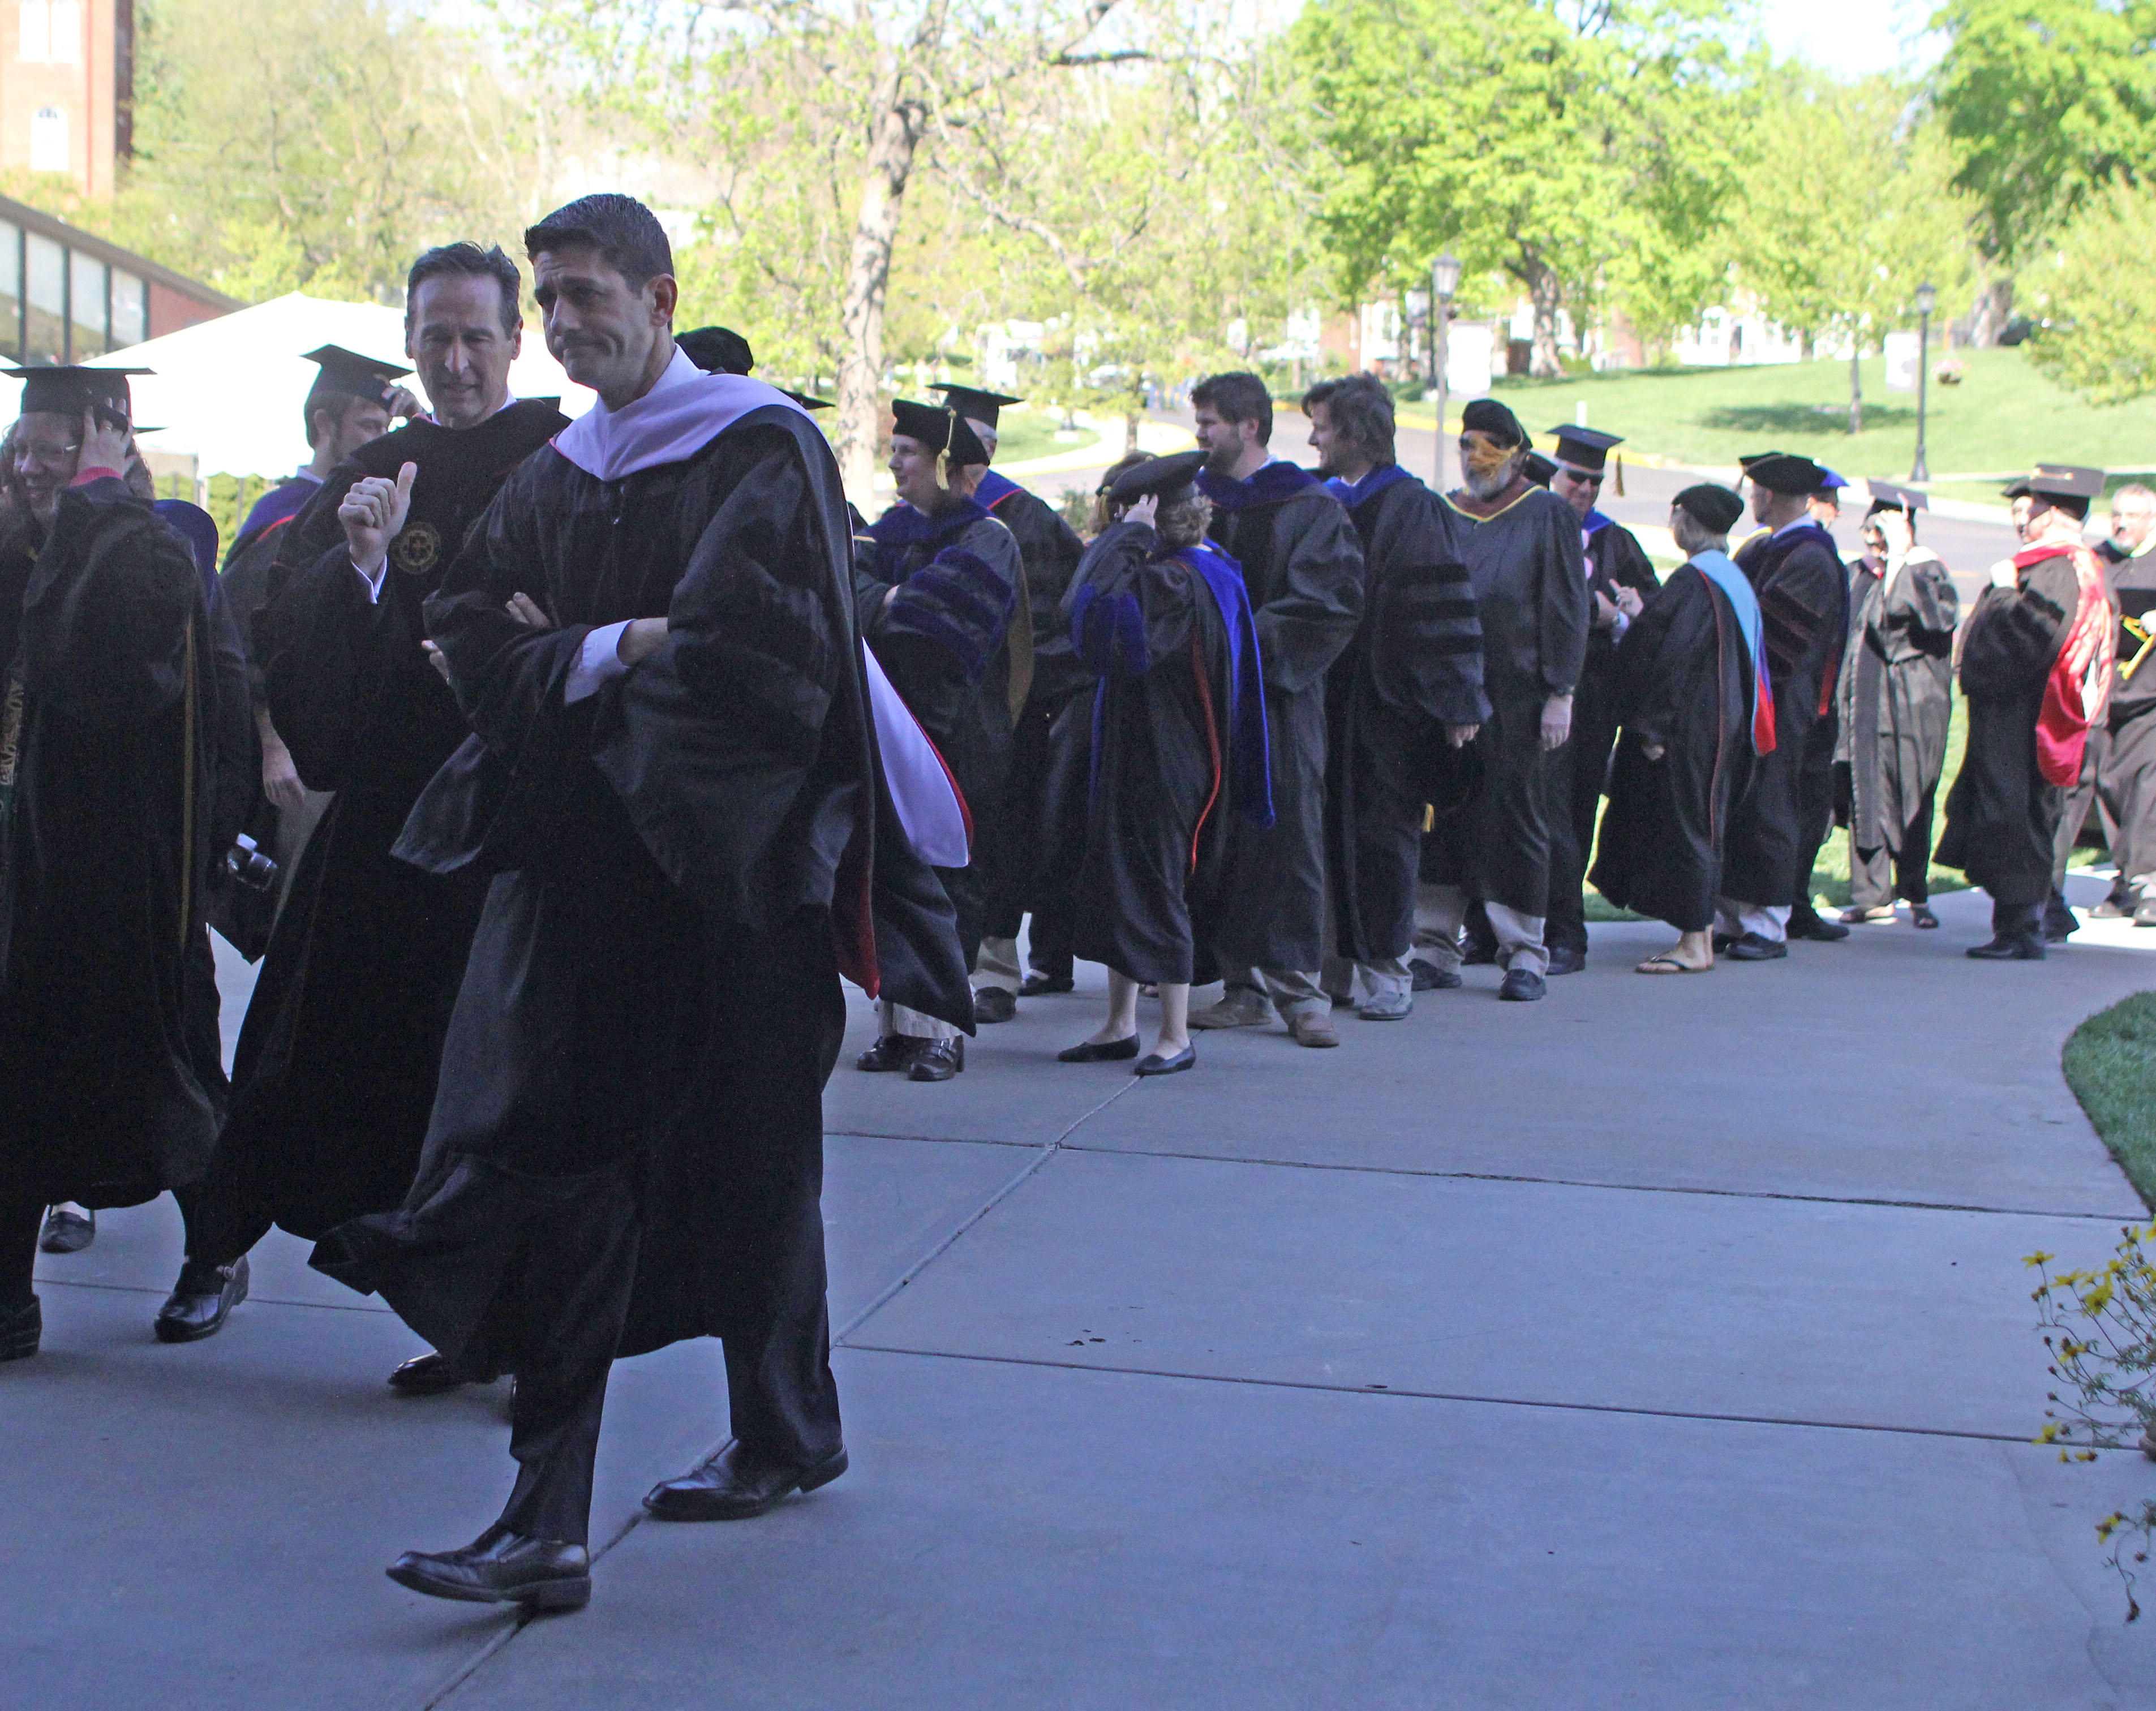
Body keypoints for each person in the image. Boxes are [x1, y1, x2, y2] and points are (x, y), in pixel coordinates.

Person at [310, 193, 970, 1609]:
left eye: (587, 295)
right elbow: (470, 638)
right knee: (569, 1176)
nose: (561, 325)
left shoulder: (759, 447)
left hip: (731, 882)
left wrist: (574, 666)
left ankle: (787, 1433)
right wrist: (620, 644)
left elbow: (755, 664)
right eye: (546, 297)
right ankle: (548, 1522)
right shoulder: (563, 469)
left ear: (663, 301)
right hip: (590, 882)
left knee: (754, 1174)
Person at [158, 244, 572, 1352]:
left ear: (513, 342)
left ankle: (498, 1322)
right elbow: (301, 660)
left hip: (518, 813)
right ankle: (233, 1251)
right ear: (410, 343)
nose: (455, 360)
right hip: (394, 815)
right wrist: (368, 571)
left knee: (506, 1080)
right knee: (316, 1054)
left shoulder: (564, 455)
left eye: (476, 336)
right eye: (435, 336)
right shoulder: (375, 474)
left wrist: (548, 646)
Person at [1, 367, 227, 1361]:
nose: (27, 463)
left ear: (108, 436)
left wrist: (85, 506)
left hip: (120, 873)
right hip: (24, 861)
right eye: (19, 443)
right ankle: (10, 1302)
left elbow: (90, 668)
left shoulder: (149, 548)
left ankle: (215, 1251)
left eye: (52, 444)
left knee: (159, 1075)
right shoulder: (22, 544)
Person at [1058, 450, 1272, 1073]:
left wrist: (1125, 540)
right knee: (1121, 881)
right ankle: (1119, 1024)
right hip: (1152, 748)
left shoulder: (1173, 583)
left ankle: (1174, 1034)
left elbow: (1095, 623)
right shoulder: (1211, 571)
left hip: (1167, 758)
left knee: (1155, 883)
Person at [213, 347, 420, 960]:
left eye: (383, 430)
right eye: (367, 427)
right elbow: (245, 640)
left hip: (357, 748)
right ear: (323, 425)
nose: (376, 443)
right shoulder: (286, 516)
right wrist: (274, 745)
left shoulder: (373, 501)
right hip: (299, 760)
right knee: (299, 925)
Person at [1185, 370, 1364, 1046]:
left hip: (1280, 704)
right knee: (1225, 845)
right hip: (1211, 705)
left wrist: (1239, 641)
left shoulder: (1309, 506)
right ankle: (1241, 988)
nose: (1200, 436)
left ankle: (1301, 993)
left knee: (1289, 841)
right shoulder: (1200, 500)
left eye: (1209, 424)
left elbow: (1330, 604)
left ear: (1249, 426)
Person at [851, 398, 1021, 1081]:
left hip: (959, 735)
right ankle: (897, 1026)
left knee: (951, 881)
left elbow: (940, 626)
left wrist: (884, 602)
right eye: (894, 452)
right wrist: (888, 601)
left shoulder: (988, 537)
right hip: (890, 728)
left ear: (947, 465)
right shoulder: (886, 533)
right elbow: (844, 598)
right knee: (888, 879)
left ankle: (944, 1030)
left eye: (908, 453)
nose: (894, 463)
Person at [1305, 373, 1485, 1018]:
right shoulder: (1321, 498)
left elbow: (1443, 612)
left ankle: (1388, 970)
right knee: (1322, 836)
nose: (1313, 440)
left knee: (1383, 837)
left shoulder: (1413, 507)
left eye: (1322, 430)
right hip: (1325, 699)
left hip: (1388, 707)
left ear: (1354, 434)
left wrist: (1458, 701)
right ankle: (1328, 970)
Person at [1415, 398, 1587, 1002]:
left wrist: (1561, 691)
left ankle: (1523, 952)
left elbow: (1567, 607)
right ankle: (1435, 946)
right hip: (1451, 700)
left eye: (1489, 446)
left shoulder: (1546, 515)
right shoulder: (1443, 513)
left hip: (1520, 699)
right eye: (1467, 445)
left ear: (1519, 456)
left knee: (1515, 823)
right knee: (1442, 823)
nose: (1475, 458)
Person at [929, 382, 1087, 1016]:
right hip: (938, 714)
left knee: (1000, 838)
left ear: (983, 453)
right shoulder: (922, 520)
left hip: (1008, 716)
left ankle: (995, 969)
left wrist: (1020, 700)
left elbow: (1054, 626)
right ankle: (938, 971)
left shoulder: (1028, 520)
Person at [1939, 464, 2115, 959]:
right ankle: (2025, 921)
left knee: (2017, 814)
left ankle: (2021, 929)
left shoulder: (2061, 567)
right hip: (2020, 715)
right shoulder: (2063, 564)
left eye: (2034, 505)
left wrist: (2003, 591)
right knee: (2015, 813)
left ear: (2057, 512)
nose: (2025, 513)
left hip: (2025, 719)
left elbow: (2031, 636)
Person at [1592, 484, 1767, 973]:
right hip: (1718, 724)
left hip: (1690, 731)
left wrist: (1652, 728)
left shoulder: (1696, 581)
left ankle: (1694, 944)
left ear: (1685, 522)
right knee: (1702, 823)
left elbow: (1674, 658)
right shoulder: (1728, 578)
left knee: (1690, 827)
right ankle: (1701, 936)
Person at [1715, 452, 1848, 961]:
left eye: (1755, 492)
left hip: (1785, 708)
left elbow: (1777, 643)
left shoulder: (1810, 557)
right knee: (1743, 807)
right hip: (1754, 704)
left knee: (1771, 809)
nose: (1751, 499)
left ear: (1769, 495)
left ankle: (1768, 924)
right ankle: (1734, 915)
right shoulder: (1764, 549)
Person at [1540, 424, 1655, 974]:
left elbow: (1651, 612)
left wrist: (1626, 615)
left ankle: (1566, 935)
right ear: (1554, 476)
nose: (1584, 490)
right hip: (1529, 693)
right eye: (1575, 479)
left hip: (1590, 700)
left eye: (1593, 482)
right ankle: (1502, 928)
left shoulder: (1615, 541)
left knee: (1569, 814)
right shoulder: (1530, 524)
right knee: (1518, 813)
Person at [1835, 484, 1957, 930]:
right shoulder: (1854, 574)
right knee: (1862, 796)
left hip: (1913, 709)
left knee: (1912, 797)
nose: (1875, 547)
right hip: (1862, 708)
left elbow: (1936, 621)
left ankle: (1915, 891)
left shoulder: (1929, 572)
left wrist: (1902, 561)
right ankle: (1872, 896)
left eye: (1883, 538)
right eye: (1870, 536)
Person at [2091, 483, 2156, 926]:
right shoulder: (2099, 560)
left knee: (2147, 789)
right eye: (2117, 514)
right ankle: (2127, 878)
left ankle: (2147, 882)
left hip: (2151, 694)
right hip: (2105, 694)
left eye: (2133, 515)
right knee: (2109, 785)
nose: (2122, 523)